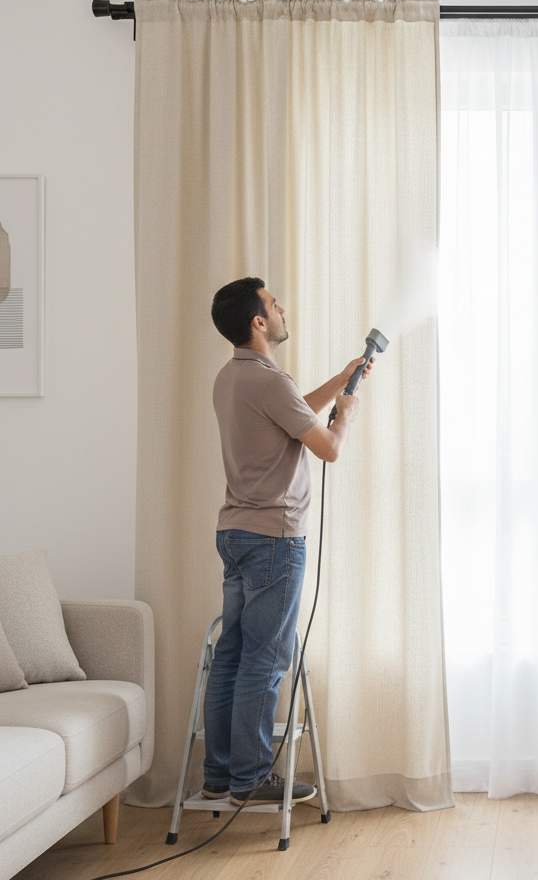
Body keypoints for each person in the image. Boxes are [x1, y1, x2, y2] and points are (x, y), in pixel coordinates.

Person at [202, 277, 372, 805]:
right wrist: (345, 419)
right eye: (274, 304)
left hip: (235, 532)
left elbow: (290, 411)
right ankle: (251, 780)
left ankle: (221, 774)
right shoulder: (270, 382)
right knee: (266, 658)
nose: (281, 310)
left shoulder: (232, 378)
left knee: (231, 654)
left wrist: (340, 380)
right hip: (274, 539)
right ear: (259, 322)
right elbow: (326, 448)